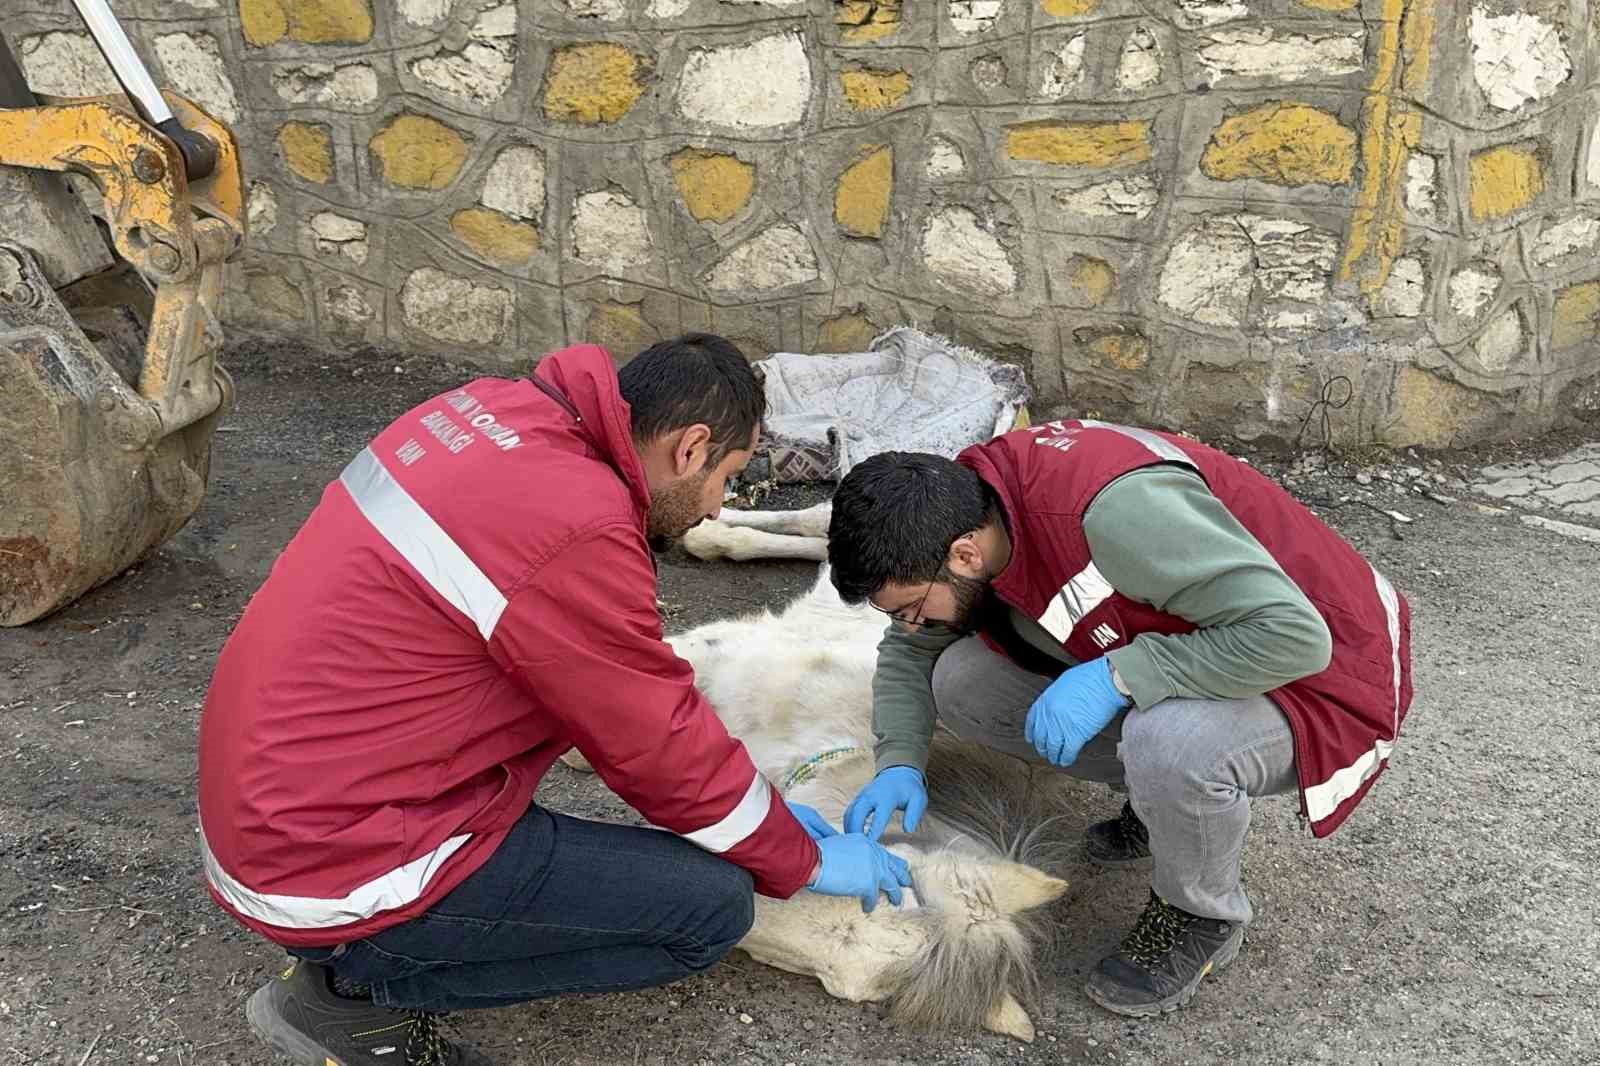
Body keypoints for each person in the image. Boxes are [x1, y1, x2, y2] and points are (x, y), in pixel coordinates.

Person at [197, 334, 911, 1066]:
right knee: (710, 911)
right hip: (337, 859)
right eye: (725, 477)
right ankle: (359, 995)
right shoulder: (578, 525)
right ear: (690, 448)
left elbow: (632, 690)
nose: (716, 505)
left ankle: (363, 947)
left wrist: (755, 802)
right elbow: (656, 748)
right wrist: (800, 858)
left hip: (271, 809)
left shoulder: (479, 413)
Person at [826, 419, 1412, 1018]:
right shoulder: (968, 508)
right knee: (963, 684)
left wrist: (1117, 675)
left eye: (913, 607)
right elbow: (910, 651)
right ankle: (1164, 807)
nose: (909, 624)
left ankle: (1200, 913)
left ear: (965, 555)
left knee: (1172, 745)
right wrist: (899, 759)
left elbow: (1294, 639)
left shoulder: (1113, 515)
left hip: (1321, 673)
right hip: (1209, 638)